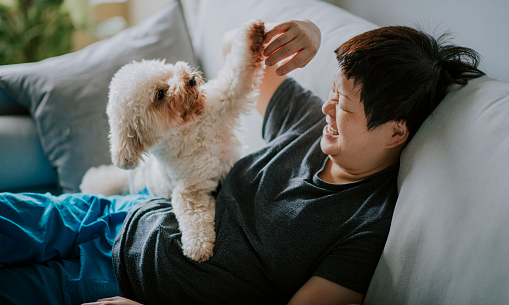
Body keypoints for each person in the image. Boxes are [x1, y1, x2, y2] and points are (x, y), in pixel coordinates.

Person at [0, 20, 484, 305]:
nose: (325, 109)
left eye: (344, 108)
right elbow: (237, 47)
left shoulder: (365, 228)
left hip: (120, 279)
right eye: (332, 93)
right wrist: (305, 32)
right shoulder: (307, 125)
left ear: (396, 132)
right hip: (112, 212)